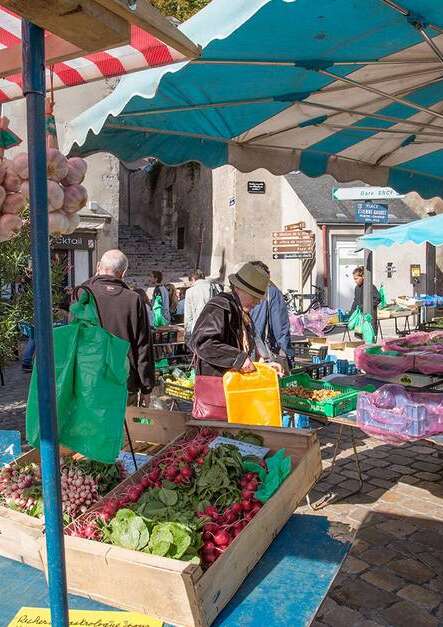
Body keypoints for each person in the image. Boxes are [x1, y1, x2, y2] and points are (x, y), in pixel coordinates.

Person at [81, 250, 155, 405]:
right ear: (124, 273)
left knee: (91, 428)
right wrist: (146, 388)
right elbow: (143, 346)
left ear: (98, 266)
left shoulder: (84, 295)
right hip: (124, 382)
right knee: (122, 428)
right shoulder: (133, 300)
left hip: (89, 381)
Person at [191, 261, 283, 377]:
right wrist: (237, 358)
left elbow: (244, 352)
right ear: (239, 289)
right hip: (216, 385)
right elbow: (203, 342)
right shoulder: (220, 306)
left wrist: (263, 368)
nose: (258, 302)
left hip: (232, 384)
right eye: (254, 296)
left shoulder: (241, 310)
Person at [250, 261, 295, 369]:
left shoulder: (243, 291)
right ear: (267, 275)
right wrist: (288, 355)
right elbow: (280, 328)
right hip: (264, 354)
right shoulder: (272, 292)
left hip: (246, 354)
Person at [350, 265, 381, 335]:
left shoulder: (370, 287)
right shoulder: (357, 288)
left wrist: (365, 307)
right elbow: (355, 301)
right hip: (360, 318)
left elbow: (377, 299)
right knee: (360, 336)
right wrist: (351, 312)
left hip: (369, 317)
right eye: (354, 279)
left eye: (356, 278)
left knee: (369, 337)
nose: (355, 281)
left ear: (363, 276)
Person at [184, 270, 213, 338]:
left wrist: (188, 333)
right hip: (215, 327)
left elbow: (188, 315)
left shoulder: (190, 291)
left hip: (198, 329)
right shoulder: (215, 287)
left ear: (193, 279)